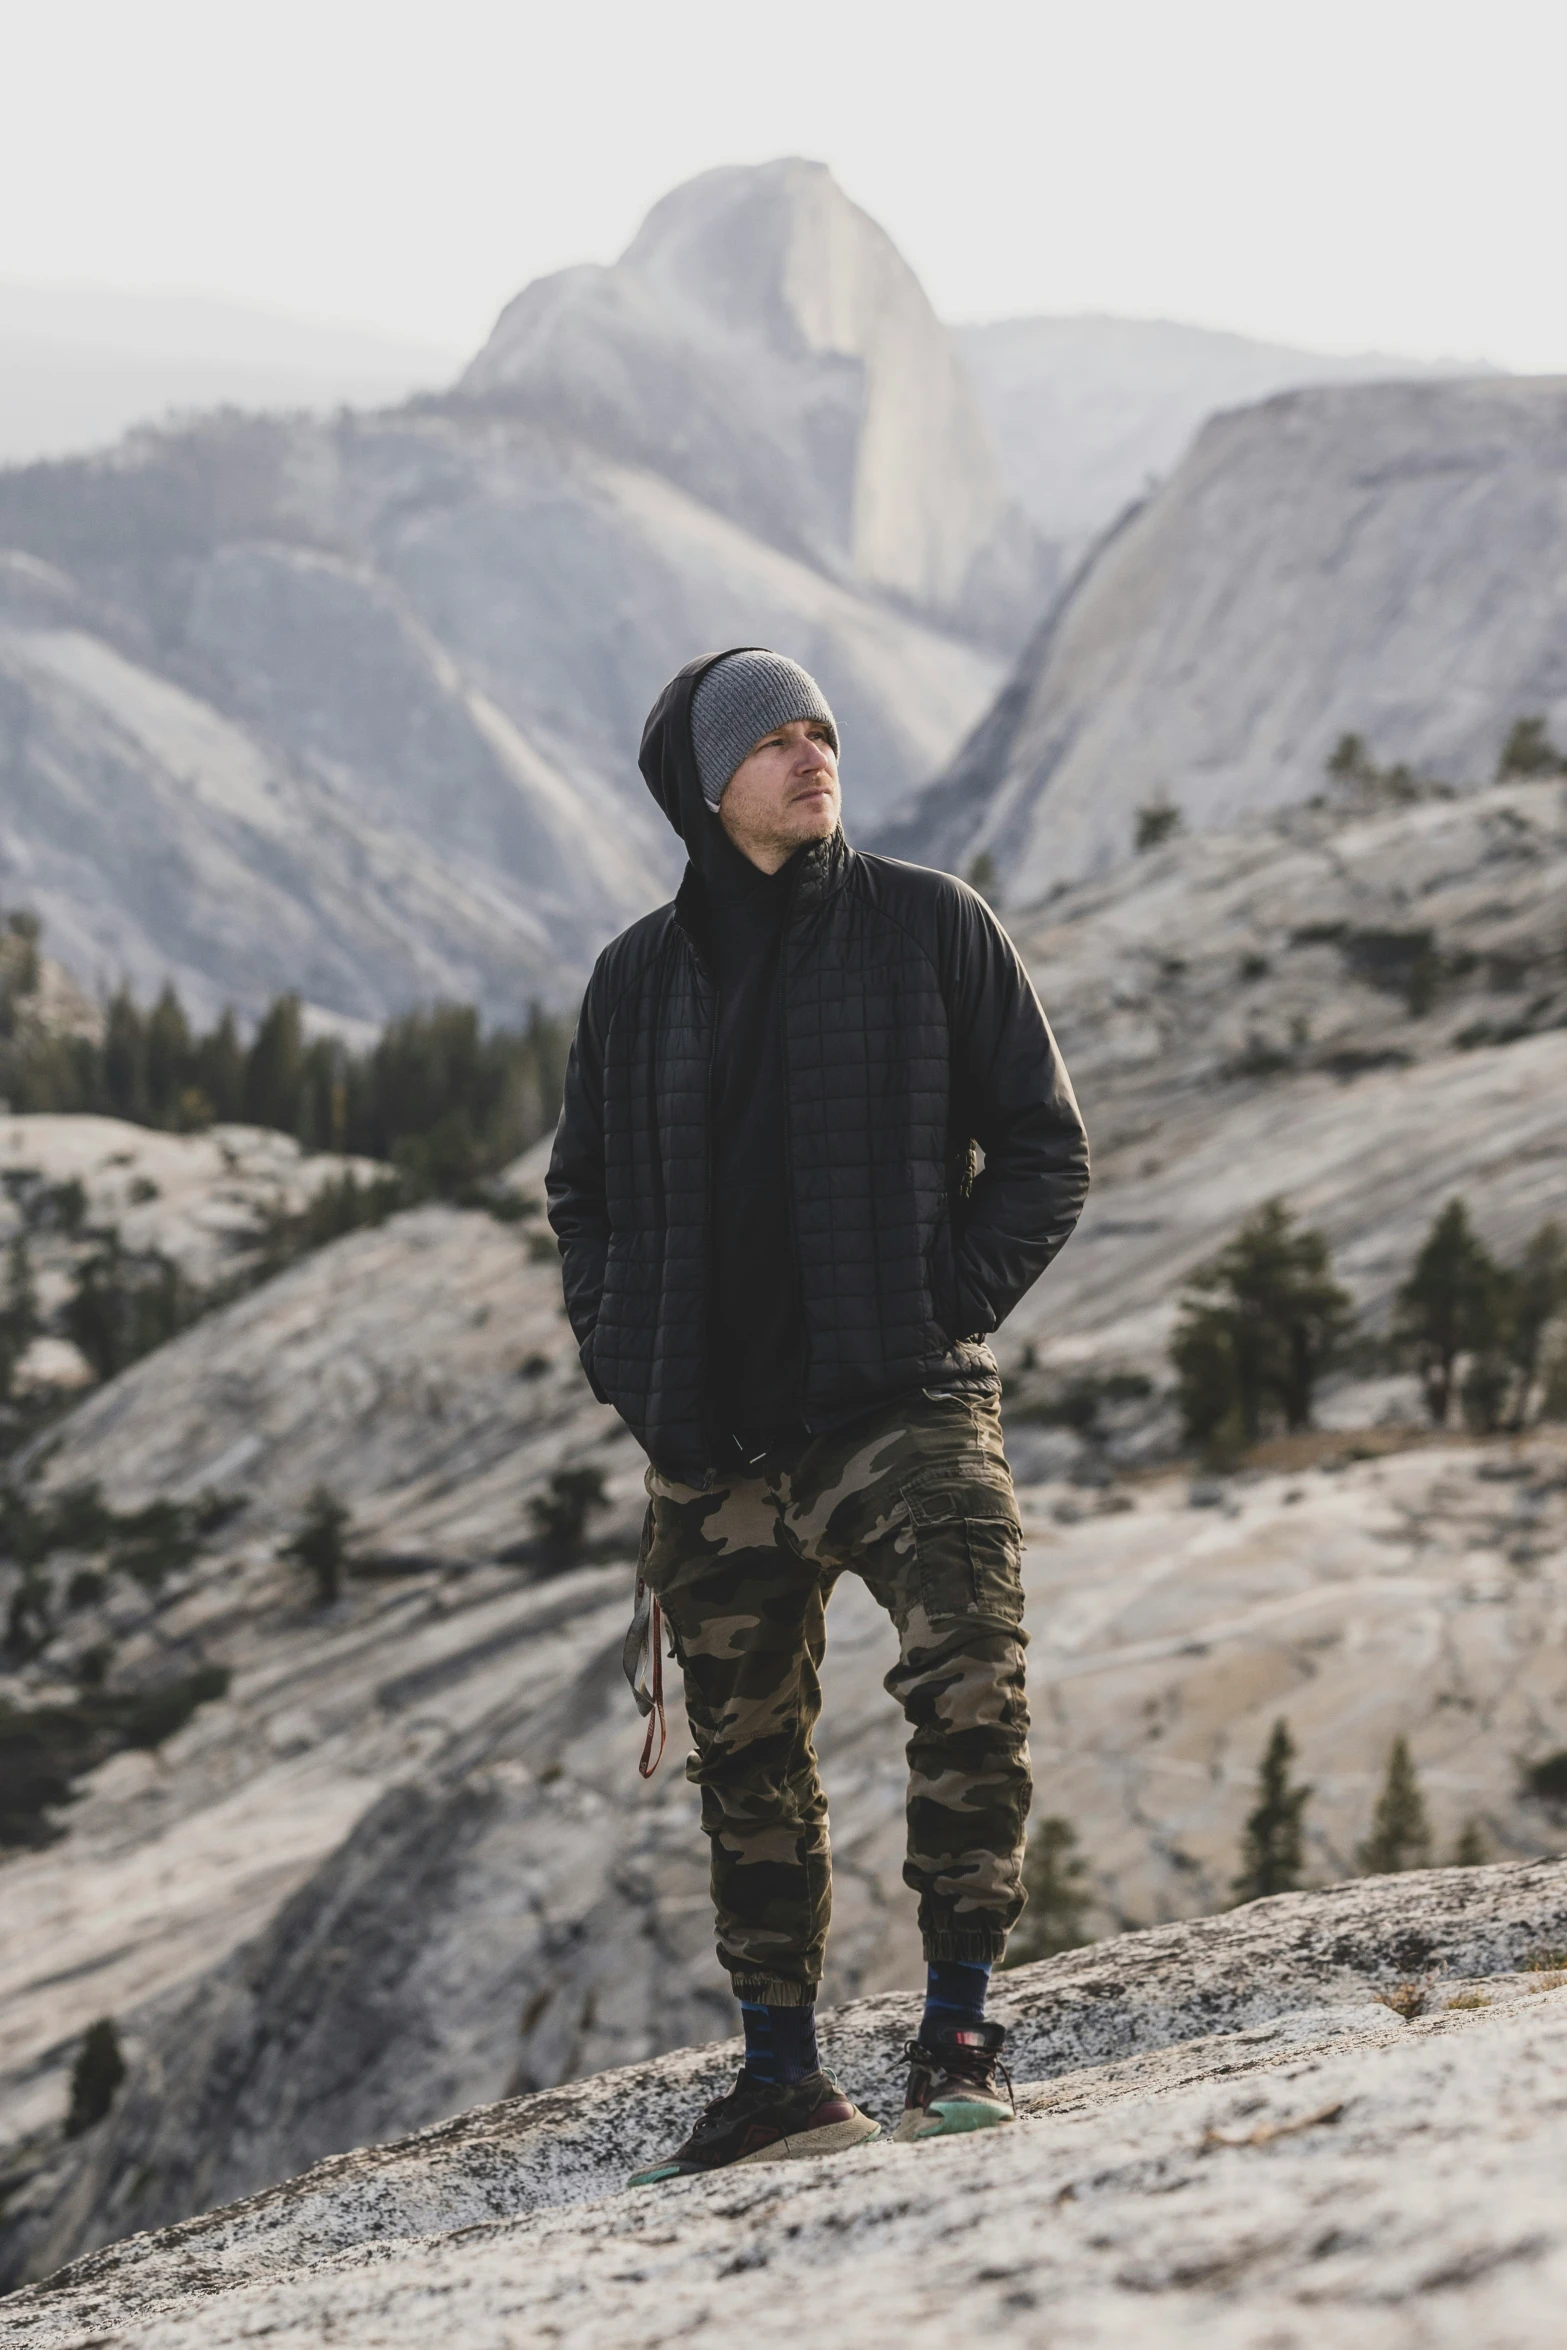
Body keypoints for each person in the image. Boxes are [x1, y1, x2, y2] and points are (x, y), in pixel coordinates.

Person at [547, 649, 1089, 2181]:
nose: (811, 754)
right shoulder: (633, 979)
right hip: (710, 1446)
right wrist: (628, 1364)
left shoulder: (926, 924)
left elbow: (1046, 1150)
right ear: (701, 784)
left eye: (822, 732)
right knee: (743, 1761)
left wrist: (937, 1310)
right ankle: (781, 2075)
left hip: (896, 1406)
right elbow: (578, 1193)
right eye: (773, 738)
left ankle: (959, 2036)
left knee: (970, 1682)